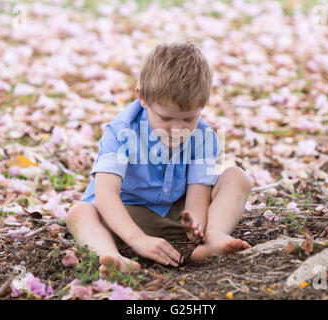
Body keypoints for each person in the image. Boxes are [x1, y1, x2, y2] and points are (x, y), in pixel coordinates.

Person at [66, 39, 252, 275]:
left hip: (176, 217)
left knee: (237, 177)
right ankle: (111, 255)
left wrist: (196, 224)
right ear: (142, 98)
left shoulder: (203, 136)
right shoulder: (123, 130)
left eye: (188, 119)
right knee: (79, 213)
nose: (177, 129)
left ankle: (212, 237)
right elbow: (105, 194)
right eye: (165, 118)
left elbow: (198, 192)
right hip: (125, 217)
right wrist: (138, 239)